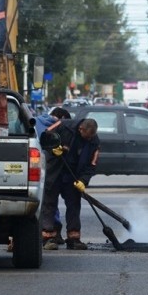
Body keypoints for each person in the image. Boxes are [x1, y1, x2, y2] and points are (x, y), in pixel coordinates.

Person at [39, 118, 100, 250]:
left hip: (73, 176)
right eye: (87, 136)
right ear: (81, 129)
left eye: (91, 137)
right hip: (55, 171)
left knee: (74, 205)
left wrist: (83, 181)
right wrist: (53, 148)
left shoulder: (94, 142)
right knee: (49, 204)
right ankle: (48, 238)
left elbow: (92, 165)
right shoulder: (64, 125)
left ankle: (73, 238)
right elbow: (45, 136)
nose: (89, 139)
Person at [35, 107, 72, 245]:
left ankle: (49, 232)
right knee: (50, 202)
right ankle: (51, 233)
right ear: (61, 118)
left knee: (46, 201)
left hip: (33, 167)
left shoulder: (36, 120)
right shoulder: (54, 125)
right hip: (46, 166)